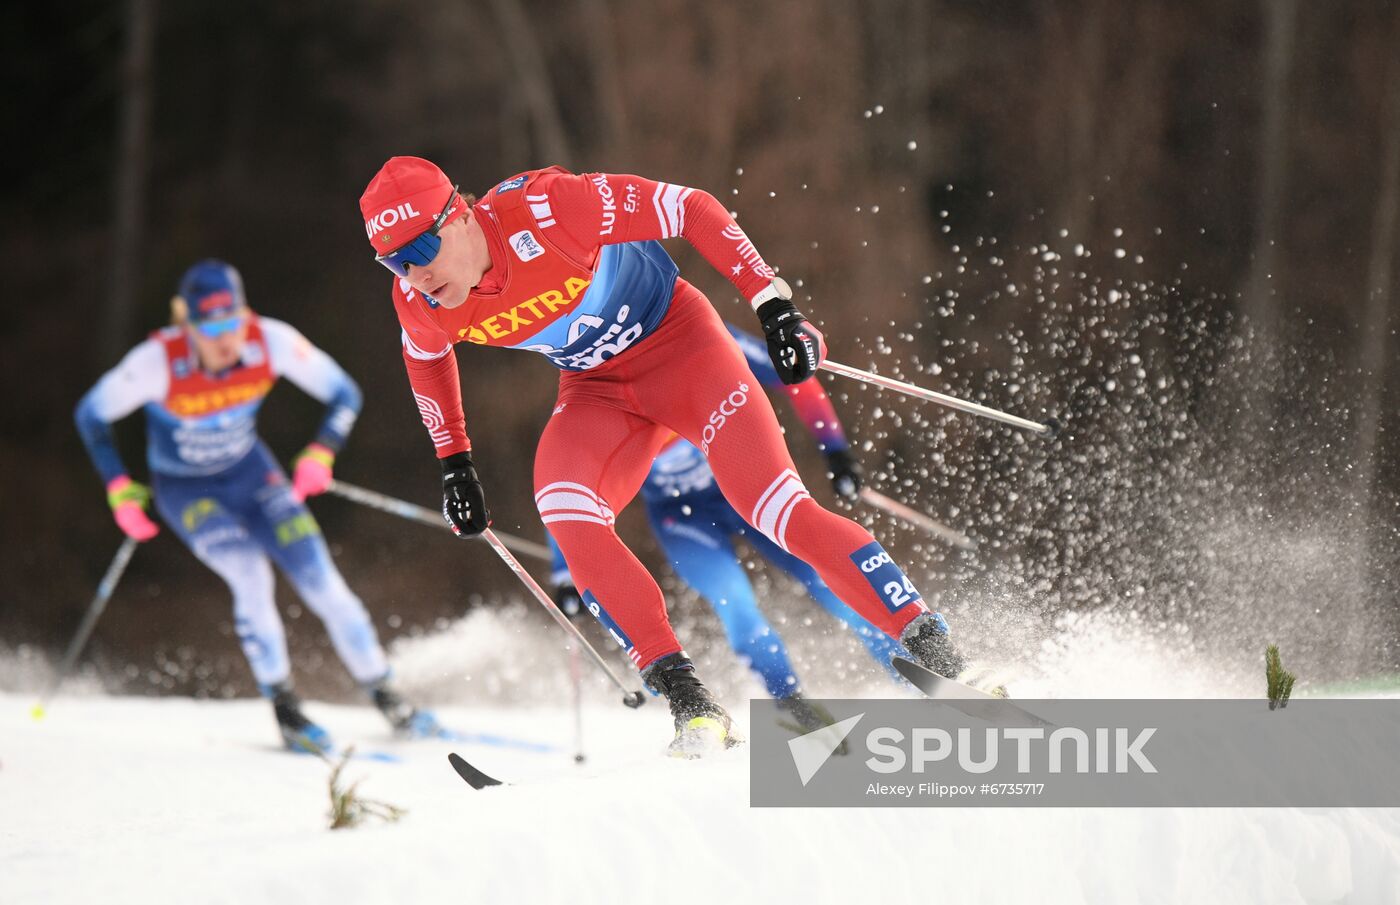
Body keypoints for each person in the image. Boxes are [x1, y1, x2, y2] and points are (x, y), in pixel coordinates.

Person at [359, 158, 968, 755]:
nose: (412, 275)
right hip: (596, 391)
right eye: (391, 262)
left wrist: (771, 304)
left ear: (460, 215)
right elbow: (427, 359)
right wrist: (455, 462)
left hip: (682, 348)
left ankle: (942, 658)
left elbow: (691, 208)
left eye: (418, 251)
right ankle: (693, 709)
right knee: (566, 511)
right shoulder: (420, 301)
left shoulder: (548, 208)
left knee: (777, 511)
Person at [74, 259, 439, 753]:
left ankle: (387, 695)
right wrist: (118, 488)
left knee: (324, 582)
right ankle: (286, 708)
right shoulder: (157, 363)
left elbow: (344, 394)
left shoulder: (271, 341)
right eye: (211, 328)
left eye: (233, 324)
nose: (226, 340)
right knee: (250, 574)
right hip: (187, 491)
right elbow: (92, 415)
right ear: (188, 325)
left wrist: (320, 452)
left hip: (253, 475)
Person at [547, 323, 909, 730]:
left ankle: (914, 672)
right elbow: (571, 487)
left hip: (745, 486)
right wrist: (566, 573)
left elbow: (794, 377)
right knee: (737, 608)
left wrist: (836, 452)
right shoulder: (596, 383)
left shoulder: (696, 334)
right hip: (683, 519)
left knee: (829, 582)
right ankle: (798, 711)